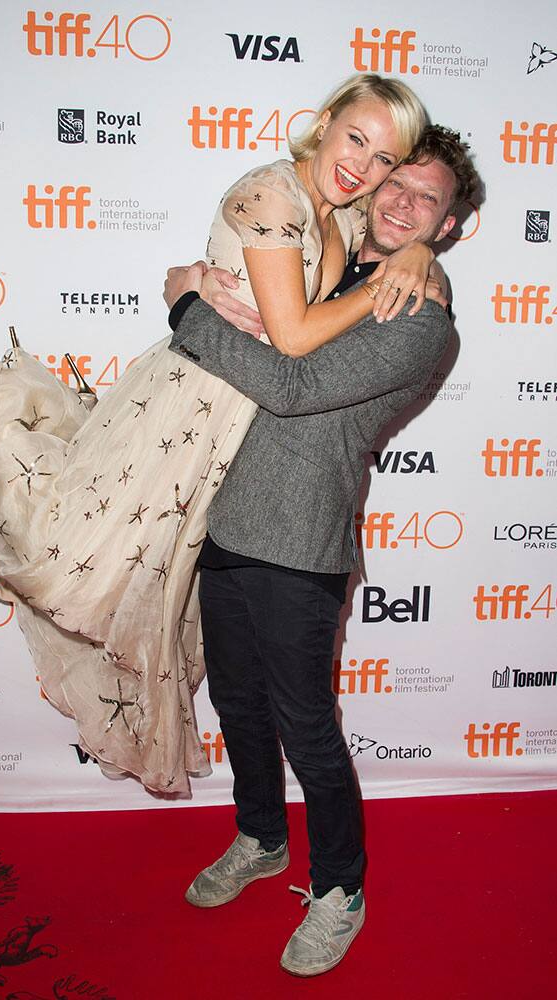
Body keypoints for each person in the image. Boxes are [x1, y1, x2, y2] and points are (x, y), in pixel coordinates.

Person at [0, 75, 435, 796]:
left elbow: (375, 273)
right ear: (322, 123)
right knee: (64, 554)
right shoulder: (271, 195)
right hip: (187, 406)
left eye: (384, 159)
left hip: (236, 435)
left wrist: (419, 257)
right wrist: (376, 287)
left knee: (153, 600)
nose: (364, 166)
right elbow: (289, 338)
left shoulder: (345, 221)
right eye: (356, 139)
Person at [161, 125, 480, 977]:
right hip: (223, 520)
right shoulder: (331, 267)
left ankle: (340, 887)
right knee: (236, 705)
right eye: (394, 182)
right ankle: (262, 837)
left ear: (447, 227)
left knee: (307, 728)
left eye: (428, 200)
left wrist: (185, 308)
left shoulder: (421, 316)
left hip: (300, 540)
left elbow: (293, 387)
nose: (403, 203)